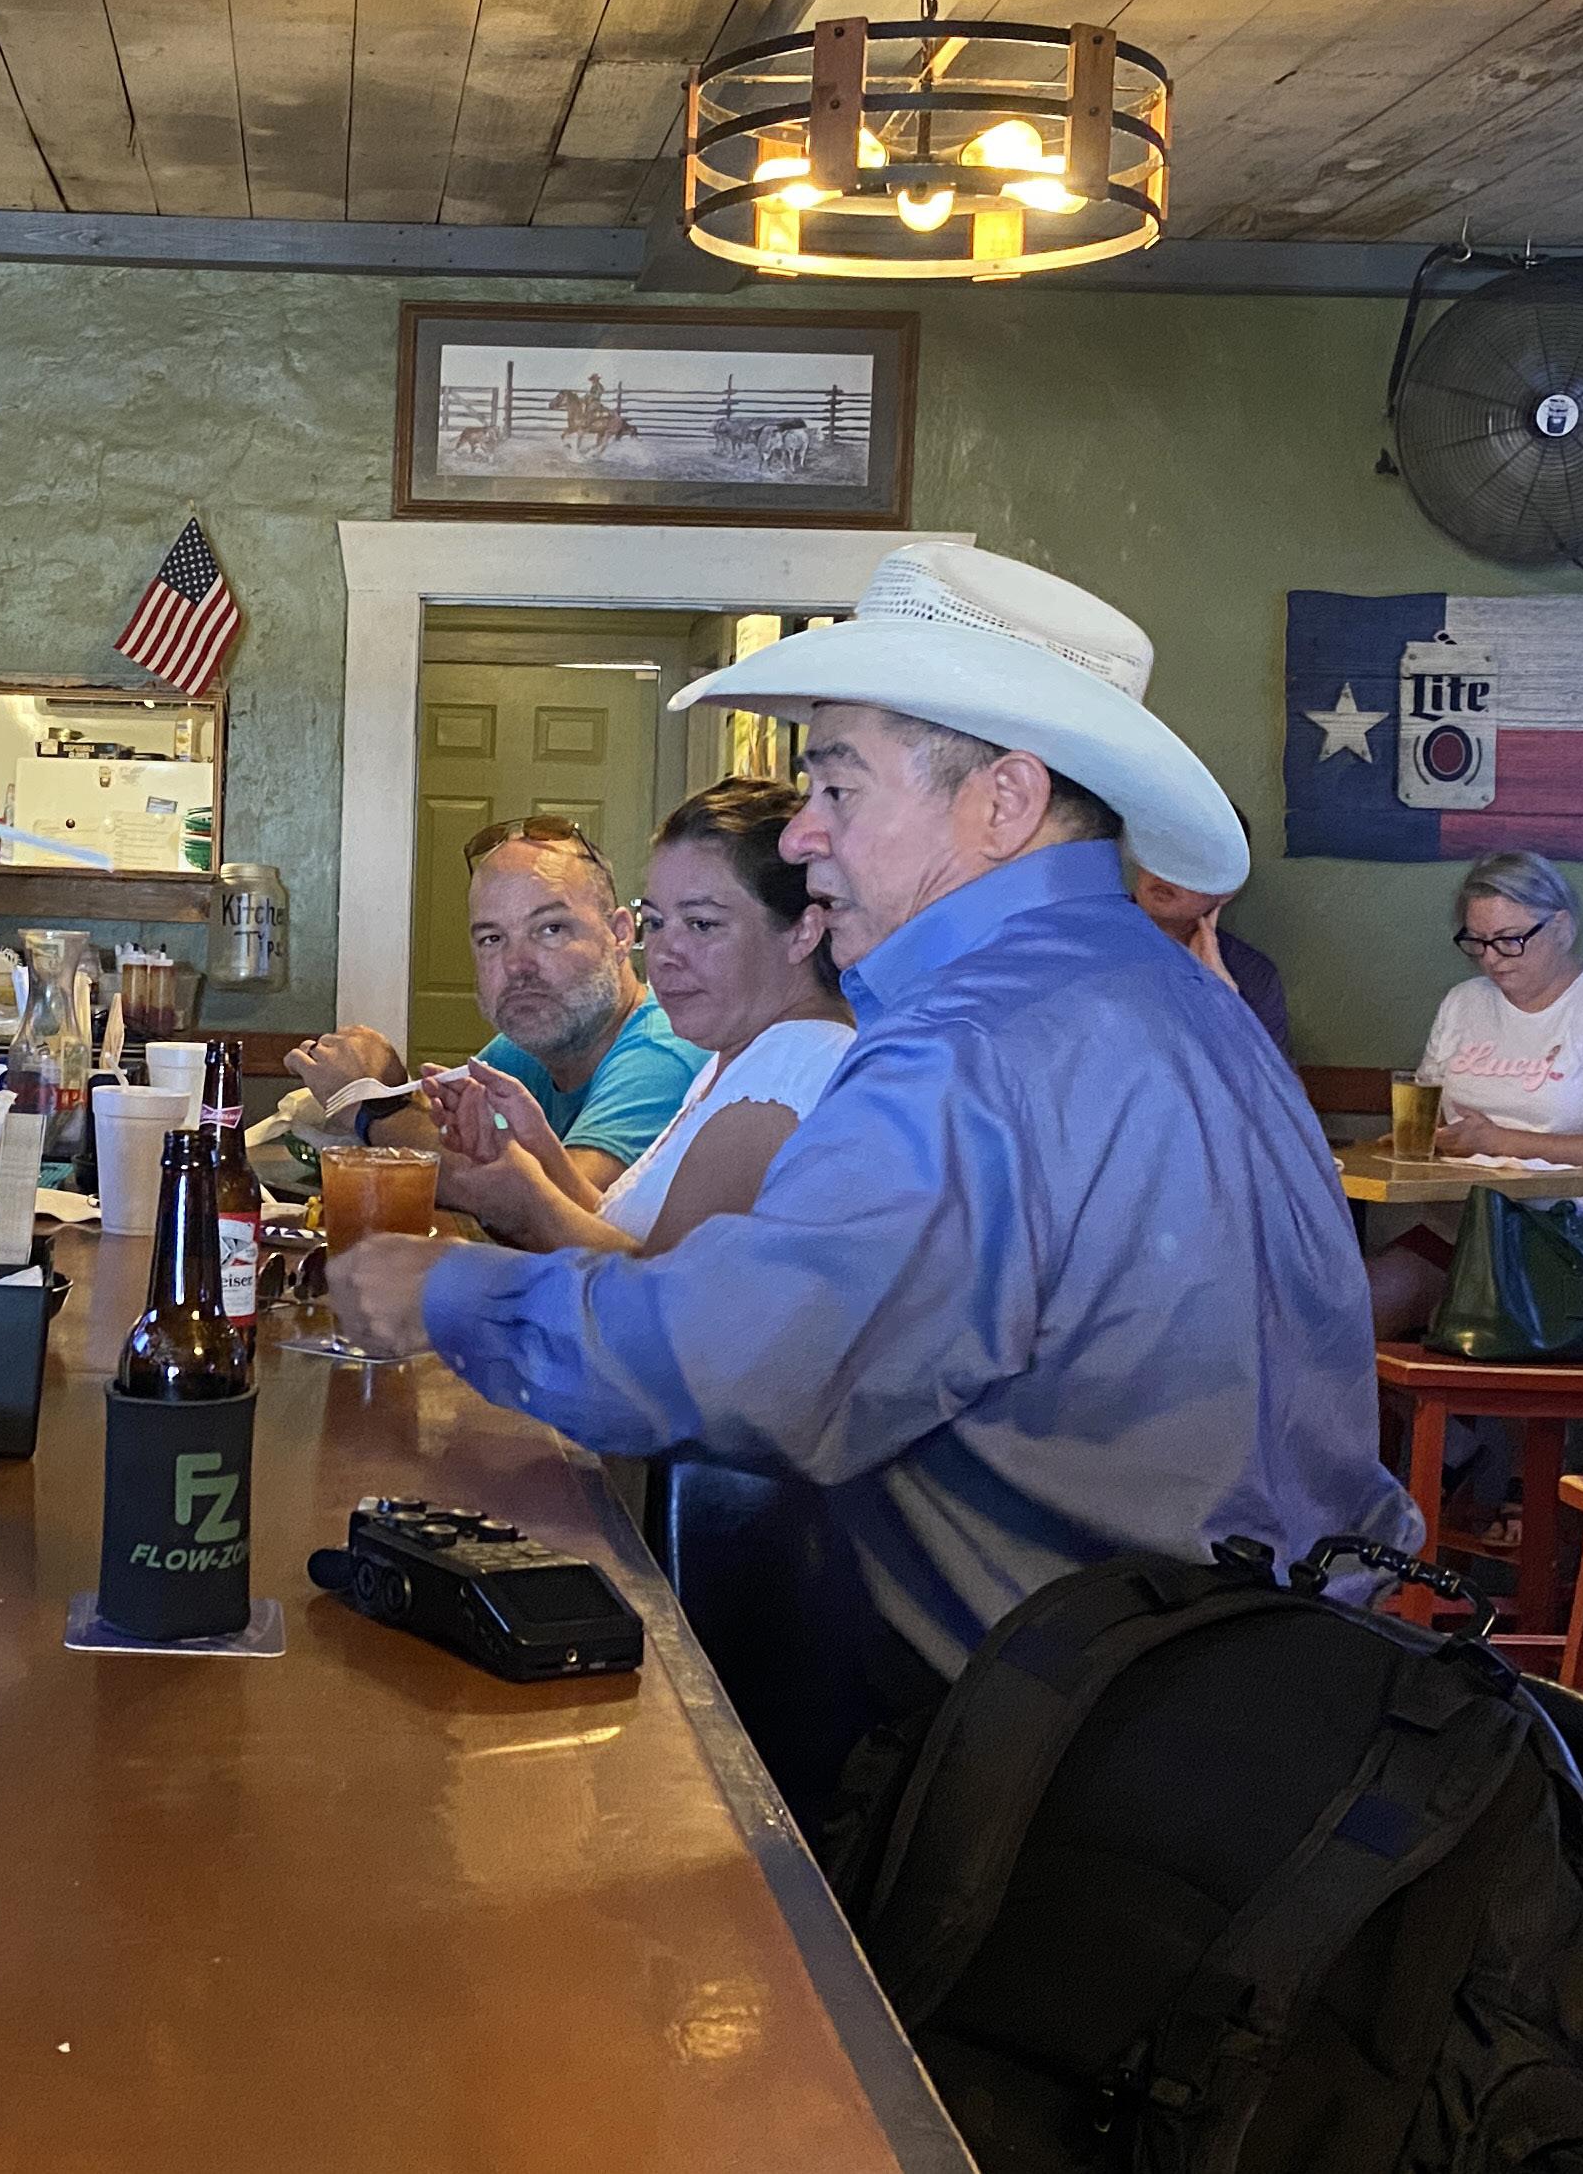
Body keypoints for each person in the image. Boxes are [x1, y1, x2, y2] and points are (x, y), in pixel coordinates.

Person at [325, 543, 1424, 1825]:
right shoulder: (1175, 993)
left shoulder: (971, 1044)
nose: (801, 834)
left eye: (837, 785)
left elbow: (741, 1358)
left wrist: (445, 1291)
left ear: (1002, 801)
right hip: (1291, 1719)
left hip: (1084, 1778)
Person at [429, 779, 851, 1255]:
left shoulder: (784, 1075)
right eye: (656, 922)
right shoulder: (744, 1054)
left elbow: (665, 1293)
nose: (665, 953)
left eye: (702, 924)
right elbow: (631, 1236)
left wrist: (527, 1209)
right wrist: (542, 1152)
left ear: (803, 932)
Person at [284, 818, 705, 1216]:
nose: (517, 964)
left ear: (620, 934)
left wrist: (370, 1106)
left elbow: (556, 1212)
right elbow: (453, 1139)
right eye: (492, 938)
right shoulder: (534, 1043)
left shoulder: (663, 1054)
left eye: (551, 929)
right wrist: (391, 1088)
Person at [1366, 851, 1583, 1338]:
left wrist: (1500, 1141)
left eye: (1510, 940)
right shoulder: (1463, 1003)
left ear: (1562, 928)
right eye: (1477, 941)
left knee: (1463, 1321)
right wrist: (1423, 1142)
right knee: (1354, 1306)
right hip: (1468, 1230)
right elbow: (1430, 1117)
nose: (1491, 958)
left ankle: (1463, 1385)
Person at [1129, 855, 1290, 1056]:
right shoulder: (1094, 939)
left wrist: (1222, 1000)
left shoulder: (1253, 974)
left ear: (1226, 891)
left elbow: (1271, 1075)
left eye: (1193, 861)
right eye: (1160, 850)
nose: (1166, 872)